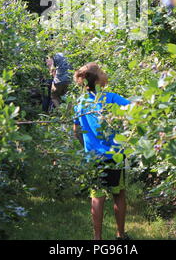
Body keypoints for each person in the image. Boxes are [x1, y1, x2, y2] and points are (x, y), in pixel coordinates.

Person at [73, 62, 131, 241]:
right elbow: (133, 109)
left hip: (93, 157)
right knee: (118, 194)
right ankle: (120, 235)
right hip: (114, 155)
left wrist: (87, 146)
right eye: (101, 71)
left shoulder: (81, 102)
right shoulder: (112, 98)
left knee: (97, 196)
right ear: (98, 79)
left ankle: (97, 239)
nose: (104, 73)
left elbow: (76, 131)